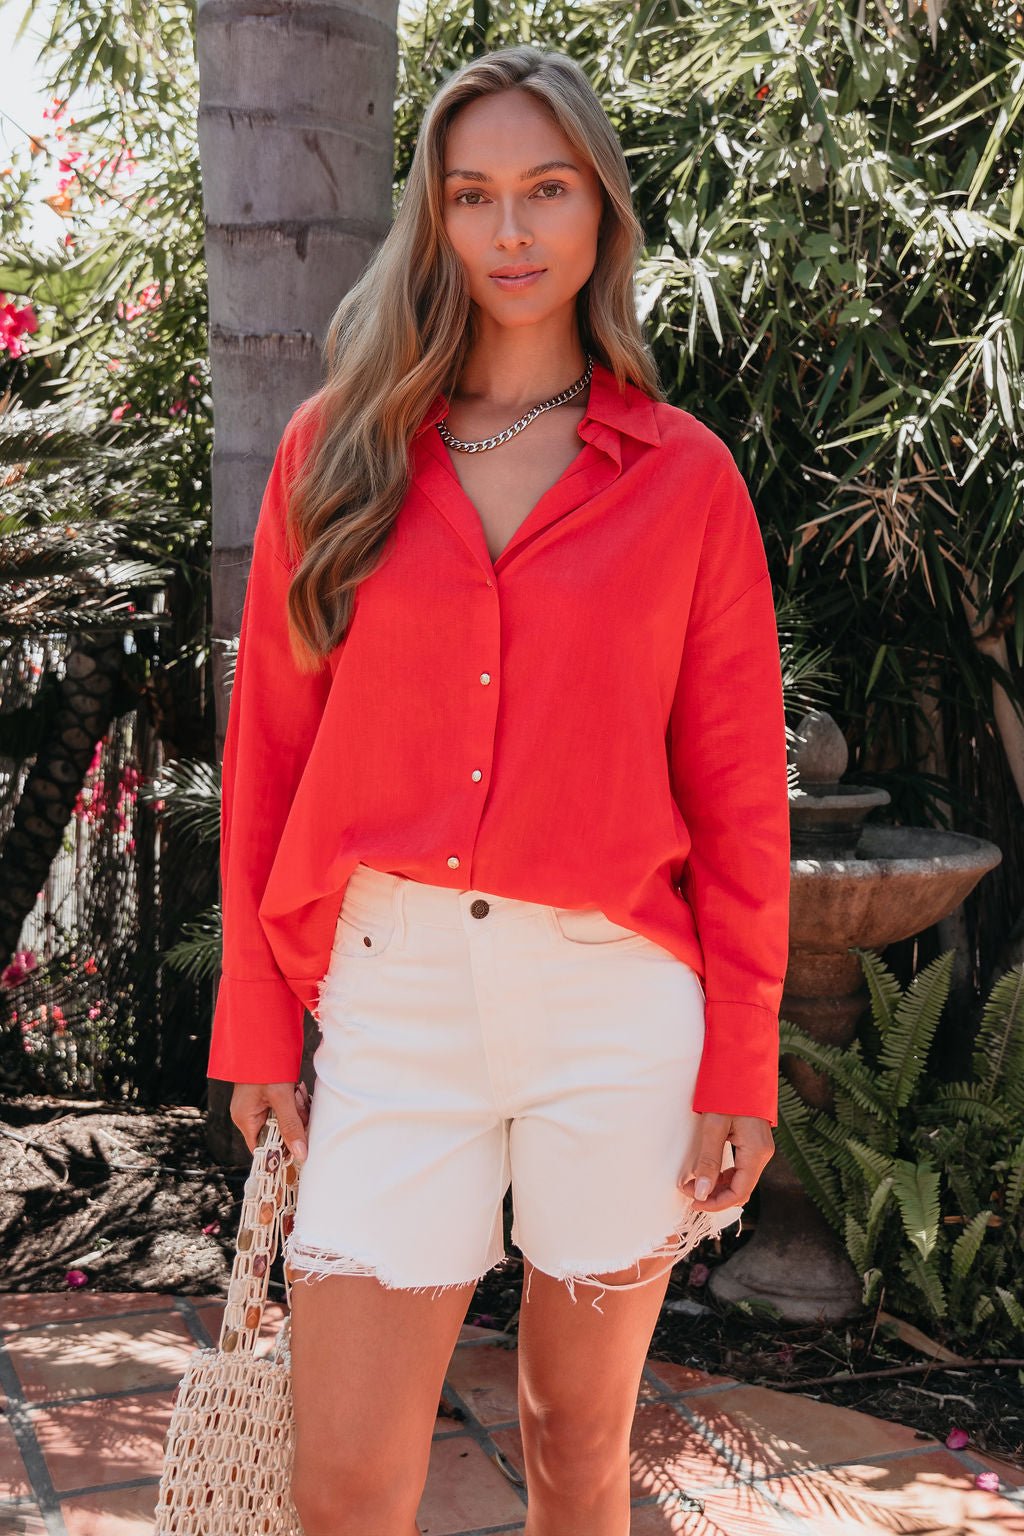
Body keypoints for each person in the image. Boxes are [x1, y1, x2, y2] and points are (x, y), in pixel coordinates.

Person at [208, 42, 791, 1536]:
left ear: (600, 212)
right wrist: (259, 1018)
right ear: (435, 221)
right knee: (343, 1486)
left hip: (618, 1011)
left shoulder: (686, 481)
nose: (512, 232)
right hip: (395, 1006)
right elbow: (268, 750)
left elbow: (738, 797)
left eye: (547, 191)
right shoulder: (336, 458)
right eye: (473, 197)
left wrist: (741, 1059)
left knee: (577, 1450)